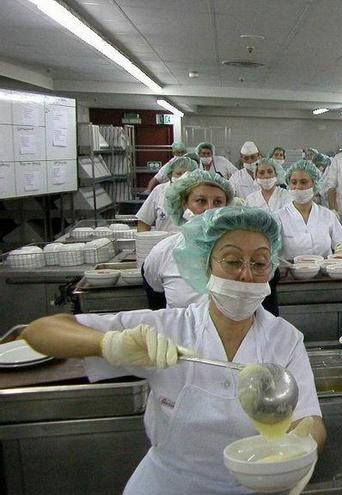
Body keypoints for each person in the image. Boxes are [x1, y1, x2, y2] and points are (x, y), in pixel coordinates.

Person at [22, 206, 325, 494]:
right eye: (232, 261)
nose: (246, 275)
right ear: (206, 265)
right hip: (168, 485)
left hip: (256, 488)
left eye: (259, 263)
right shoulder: (168, 329)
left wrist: (297, 455)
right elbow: (40, 332)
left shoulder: (285, 339)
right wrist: (110, 344)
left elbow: (309, 423)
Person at [142, 170, 234, 309]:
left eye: (218, 202)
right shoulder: (163, 252)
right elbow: (156, 299)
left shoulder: (241, 250)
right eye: (200, 201)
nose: (210, 209)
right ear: (184, 204)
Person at [278, 160, 342, 259]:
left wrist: (341, 250)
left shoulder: (327, 215)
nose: (298, 186)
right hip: (290, 272)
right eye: (293, 182)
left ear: (315, 184)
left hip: (324, 271)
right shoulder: (279, 217)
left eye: (304, 182)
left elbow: (339, 243)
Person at [136, 156, 197, 232]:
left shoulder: (199, 193)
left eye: (187, 174)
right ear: (170, 175)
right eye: (178, 174)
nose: (183, 177)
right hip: (163, 242)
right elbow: (144, 222)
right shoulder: (159, 191)